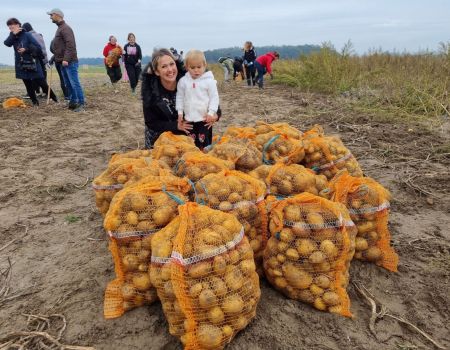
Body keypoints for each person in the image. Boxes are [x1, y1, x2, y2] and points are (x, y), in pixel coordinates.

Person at [141, 48, 220, 149]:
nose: (170, 69)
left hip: (191, 132)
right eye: (164, 66)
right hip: (160, 135)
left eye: (171, 64)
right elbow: (151, 122)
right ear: (157, 71)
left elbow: (212, 98)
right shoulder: (150, 91)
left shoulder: (190, 78)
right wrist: (175, 126)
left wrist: (215, 115)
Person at [4, 17, 58, 106]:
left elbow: (37, 48)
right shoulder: (12, 36)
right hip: (21, 64)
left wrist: (26, 49)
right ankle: (35, 103)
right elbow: (7, 43)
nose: (11, 29)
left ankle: (54, 98)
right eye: (9, 28)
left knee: (42, 83)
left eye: (12, 27)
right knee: (28, 84)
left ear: (18, 25)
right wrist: (13, 34)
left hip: (32, 63)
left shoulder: (27, 35)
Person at [175, 50, 219, 149]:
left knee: (204, 144)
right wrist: (180, 112)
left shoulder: (209, 81)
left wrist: (211, 113)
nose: (196, 70)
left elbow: (214, 98)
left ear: (204, 65)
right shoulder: (183, 82)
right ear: (186, 67)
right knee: (191, 144)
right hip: (189, 120)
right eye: (192, 67)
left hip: (204, 119)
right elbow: (180, 97)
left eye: (199, 67)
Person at [48, 8, 85, 112]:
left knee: (74, 83)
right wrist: (53, 59)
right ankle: (73, 102)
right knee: (68, 84)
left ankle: (81, 103)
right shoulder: (60, 28)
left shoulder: (65, 28)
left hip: (69, 62)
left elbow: (71, 45)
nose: (50, 17)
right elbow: (59, 48)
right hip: (62, 62)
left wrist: (66, 59)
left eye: (51, 15)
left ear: (57, 15)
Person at [22, 22, 48, 97]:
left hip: (36, 58)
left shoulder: (30, 36)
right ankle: (43, 92)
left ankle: (32, 93)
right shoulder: (39, 35)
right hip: (43, 58)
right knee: (42, 75)